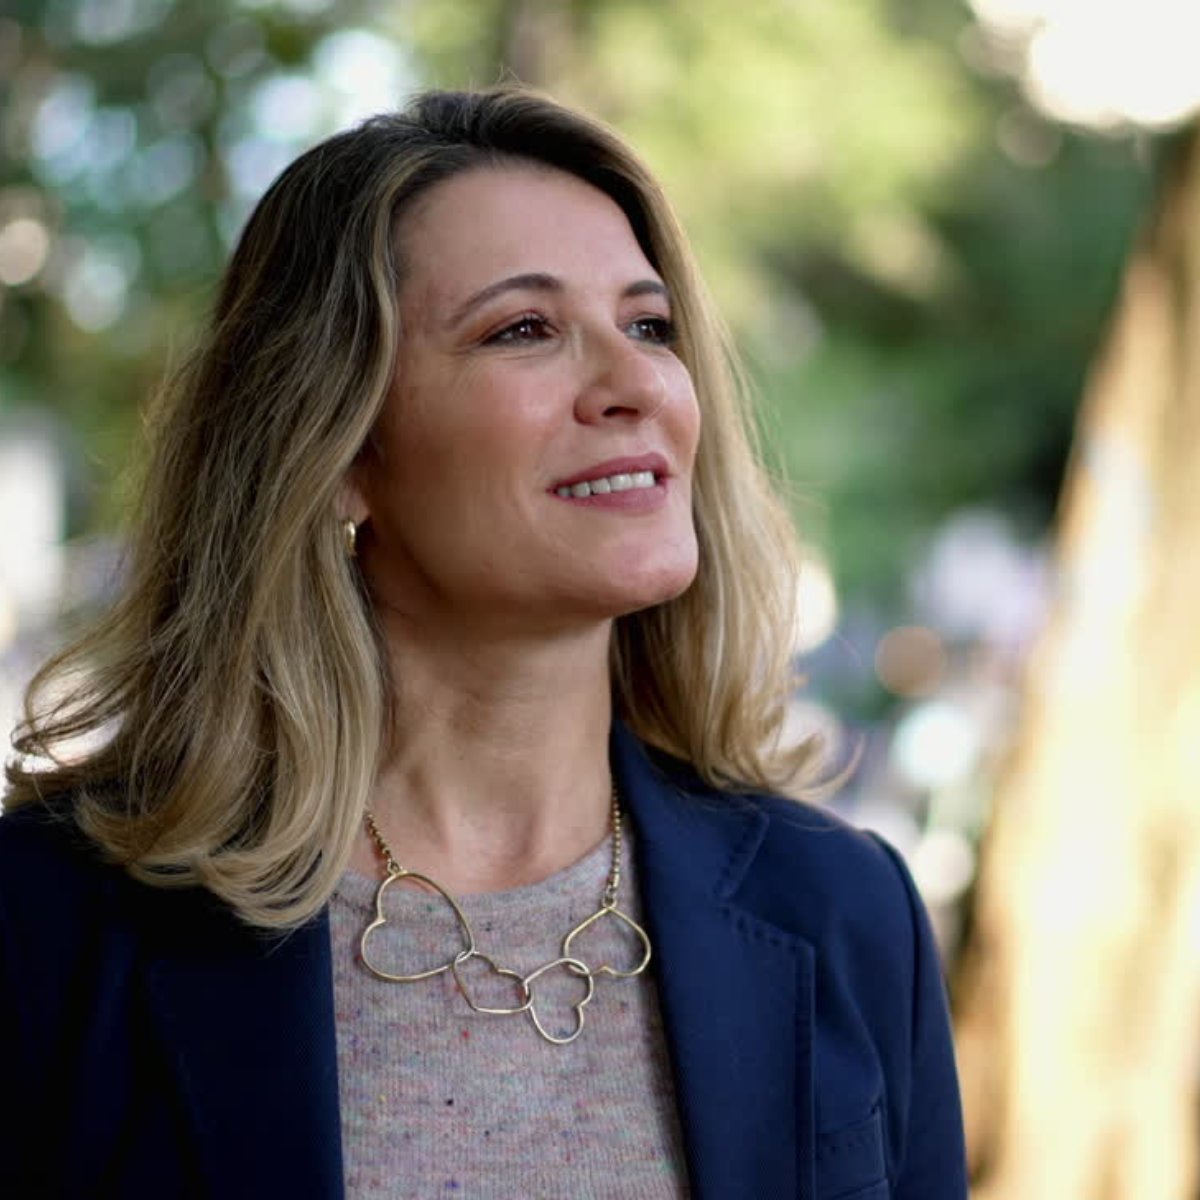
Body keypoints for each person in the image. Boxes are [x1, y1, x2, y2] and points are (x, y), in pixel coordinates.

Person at [0, 87, 967, 1199]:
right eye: (525, 330)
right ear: (342, 448)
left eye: (649, 326)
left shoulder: (844, 908)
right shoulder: (50, 929)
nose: (636, 384)